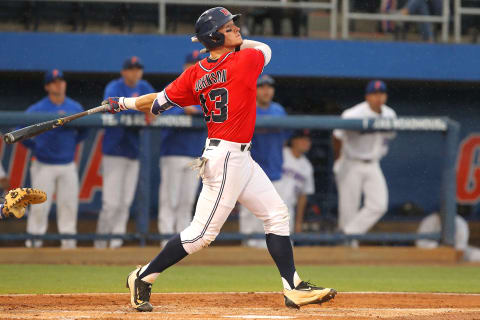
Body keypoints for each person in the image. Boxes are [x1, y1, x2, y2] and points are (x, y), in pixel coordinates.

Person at [102, 7, 336, 312]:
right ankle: (143, 277)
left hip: (238, 156)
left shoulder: (195, 73)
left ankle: (293, 287)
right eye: (227, 27)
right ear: (214, 36)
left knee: (276, 214)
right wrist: (230, 46)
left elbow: (157, 103)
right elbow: (264, 48)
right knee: (201, 234)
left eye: (233, 25)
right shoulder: (245, 59)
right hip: (225, 157)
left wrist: (123, 103)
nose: (236, 29)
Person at [23, 69, 87, 249]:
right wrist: (37, 148)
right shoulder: (37, 108)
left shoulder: (74, 107)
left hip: (67, 164)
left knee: (68, 206)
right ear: (47, 86)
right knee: (39, 207)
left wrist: (72, 143)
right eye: (54, 81)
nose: (59, 84)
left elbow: (86, 130)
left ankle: (68, 247)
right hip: (43, 164)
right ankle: (33, 246)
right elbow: (20, 131)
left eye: (61, 80)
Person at [95, 56, 155, 249]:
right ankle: (100, 243)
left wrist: (146, 111)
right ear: (124, 71)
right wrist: (141, 111)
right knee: (110, 203)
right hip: (114, 151)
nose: (135, 72)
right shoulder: (114, 87)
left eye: (138, 68)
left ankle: (115, 244)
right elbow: (113, 108)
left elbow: (155, 107)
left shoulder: (144, 87)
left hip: (134, 152)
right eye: (131, 69)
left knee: (125, 203)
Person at [332, 80, 397, 246]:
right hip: (351, 162)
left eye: (381, 93)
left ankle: (346, 234)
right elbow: (337, 136)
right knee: (348, 209)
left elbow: (388, 138)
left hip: (373, 163)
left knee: (379, 205)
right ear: (367, 96)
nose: (378, 97)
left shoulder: (390, 114)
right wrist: (338, 159)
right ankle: (346, 249)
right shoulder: (353, 114)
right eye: (374, 94)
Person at [158, 51, 207, 247]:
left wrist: (195, 111)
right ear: (184, 67)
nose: (194, 68)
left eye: (197, 65)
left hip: (196, 154)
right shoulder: (174, 88)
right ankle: (164, 241)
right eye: (190, 65)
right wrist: (182, 110)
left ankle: (181, 243)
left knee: (187, 202)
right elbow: (158, 111)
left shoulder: (209, 90)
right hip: (172, 152)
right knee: (169, 199)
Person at [239, 74, 287, 248]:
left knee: (275, 214)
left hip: (275, 170)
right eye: (262, 87)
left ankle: (273, 253)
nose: (266, 90)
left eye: (269, 87)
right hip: (251, 171)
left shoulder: (279, 111)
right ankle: (247, 254)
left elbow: (285, 139)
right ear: (255, 89)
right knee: (250, 215)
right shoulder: (246, 108)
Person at [275, 130, 315, 234]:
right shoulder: (281, 153)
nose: (306, 142)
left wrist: (298, 222)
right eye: (302, 139)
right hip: (268, 205)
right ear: (293, 141)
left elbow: (303, 196)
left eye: (308, 140)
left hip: (288, 211)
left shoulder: (307, 166)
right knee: (255, 244)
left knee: (284, 248)